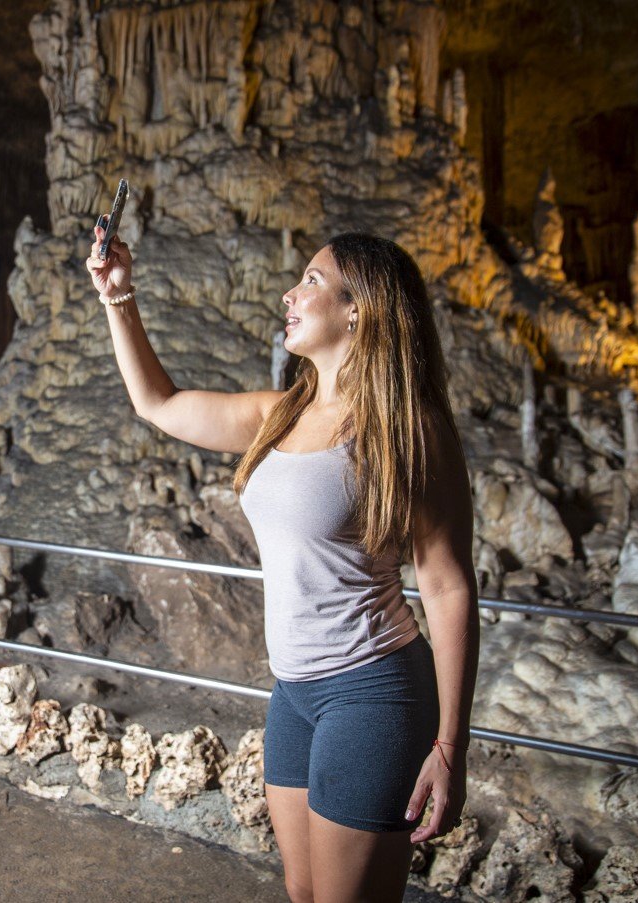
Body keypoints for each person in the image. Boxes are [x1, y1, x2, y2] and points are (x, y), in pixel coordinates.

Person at [85, 224, 479, 903]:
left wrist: (451, 745)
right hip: (293, 694)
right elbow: (161, 404)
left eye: (313, 281)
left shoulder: (408, 429)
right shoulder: (279, 413)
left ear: (360, 309)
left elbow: (446, 587)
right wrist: (119, 299)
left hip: (373, 691)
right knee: (303, 892)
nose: (291, 294)